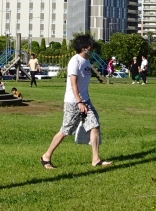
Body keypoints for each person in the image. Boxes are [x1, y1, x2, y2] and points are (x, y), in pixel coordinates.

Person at [41, 33, 111, 169]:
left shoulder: (87, 61)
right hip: (73, 102)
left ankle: (96, 159)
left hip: (85, 101)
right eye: (90, 46)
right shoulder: (75, 61)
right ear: (84, 47)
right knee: (65, 130)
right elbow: (73, 84)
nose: (92, 48)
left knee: (94, 126)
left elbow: (84, 85)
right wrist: (79, 102)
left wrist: (85, 100)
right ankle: (46, 156)